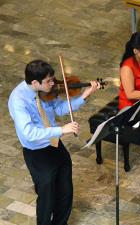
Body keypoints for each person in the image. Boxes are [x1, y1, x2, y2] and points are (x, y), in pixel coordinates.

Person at [8, 60, 100, 225]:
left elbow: (59, 109)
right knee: (47, 196)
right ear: (35, 82)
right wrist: (61, 130)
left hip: (55, 145)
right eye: (49, 81)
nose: (53, 84)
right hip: (36, 152)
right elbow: (29, 133)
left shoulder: (46, 92)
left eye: (53, 79)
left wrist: (85, 95)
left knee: (65, 190)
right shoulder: (18, 101)